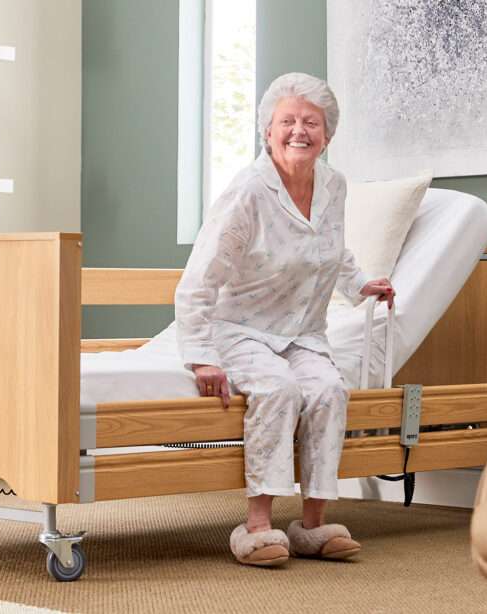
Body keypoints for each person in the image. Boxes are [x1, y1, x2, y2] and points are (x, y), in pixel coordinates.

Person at [175, 72, 395, 567]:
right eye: (288, 121)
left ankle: (312, 526)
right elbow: (199, 277)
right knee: (278, 390)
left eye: (311, 122)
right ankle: (257, 527)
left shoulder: (333, 184)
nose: (300, 131)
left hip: (301, 333)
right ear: (267, 131)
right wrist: (200, 356)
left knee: (329, 392)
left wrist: (360, 284)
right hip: (239, 329)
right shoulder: (248, 192)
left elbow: (332, 248)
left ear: (328, 134)